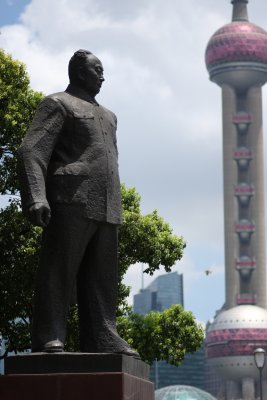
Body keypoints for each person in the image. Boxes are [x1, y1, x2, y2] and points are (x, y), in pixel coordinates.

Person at [18, 49, 139, 357]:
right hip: (71, 200)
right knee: (58, 271)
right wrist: (36, 196)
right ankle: (49, 337)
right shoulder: (58, 104)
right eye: (96, 69)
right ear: (79, 73)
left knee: (103, 278)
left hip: (107, 204)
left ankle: (102, 336)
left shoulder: (109, 116)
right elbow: (32, 150)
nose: (102, 75)